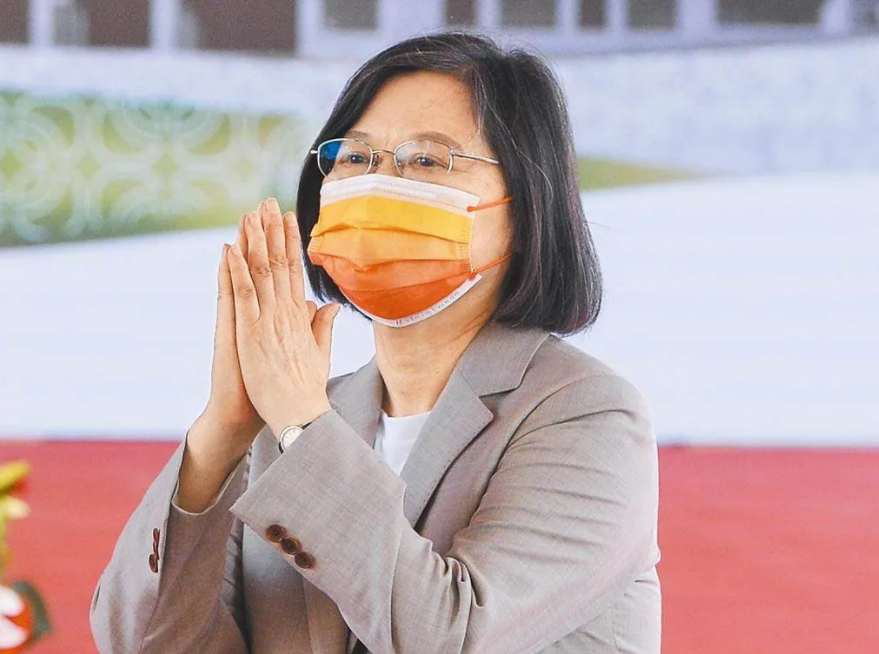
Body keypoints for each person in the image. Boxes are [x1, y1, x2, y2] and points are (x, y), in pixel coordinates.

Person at [90, 32, 660, 654]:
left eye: (427, 160)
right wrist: (221, 435)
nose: (377, 185)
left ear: (524, 208)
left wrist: (301, 422)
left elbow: (452, 638)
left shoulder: (587, 414)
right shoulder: (290, 426)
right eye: (355, 157)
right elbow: (142, 642)